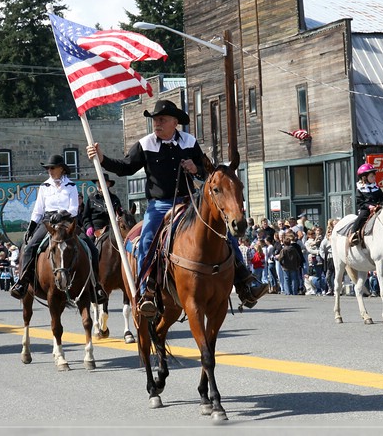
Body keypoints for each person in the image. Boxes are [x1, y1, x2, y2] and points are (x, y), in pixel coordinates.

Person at [86, 99, 267, 317]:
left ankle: (245, 282)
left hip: (189, 202)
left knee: (223, 234)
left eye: (161, 119)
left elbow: (207, 173)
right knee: (147, 240)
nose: (156, 123)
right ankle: (147, 291)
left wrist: (195, 168)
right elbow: (126, 167)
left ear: (175, 122)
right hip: (159, 205)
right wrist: (102, 158)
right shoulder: (146, 144)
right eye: (155, 120)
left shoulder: (189, 142)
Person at [9, 154, 108, 304]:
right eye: (48, 168)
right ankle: (23, 282)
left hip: (67, 222)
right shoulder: (44, 187)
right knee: (29, 248)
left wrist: (62, 214)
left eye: (52, 168)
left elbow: (74, 209)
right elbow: (38, 209)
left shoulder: (71, 186)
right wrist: (31, 226)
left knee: (91, 249)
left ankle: (96, 286)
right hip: (48, 221)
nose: (49, 170)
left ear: (62, 169)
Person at [350, 163, 383, 245]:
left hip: (378, 208)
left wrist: (380, 204)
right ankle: (353, 234)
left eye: (374, 176)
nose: (374, 178)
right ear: (364, 177)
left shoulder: (376, 187)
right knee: (361, 217)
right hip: (366, 209)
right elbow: (360, 202)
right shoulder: (360, 189)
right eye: (372, 176)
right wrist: (369, 206)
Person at [81, 173, 123, 240]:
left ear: (108, 184)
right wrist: (89, 227)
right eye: (99, 183)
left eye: (103, 183)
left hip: (112, 226)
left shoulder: (115, 199)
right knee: (89, 241)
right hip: (96, 227)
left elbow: (120, 214)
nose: (100, 185)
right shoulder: (91, 198)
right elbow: (85, 217)